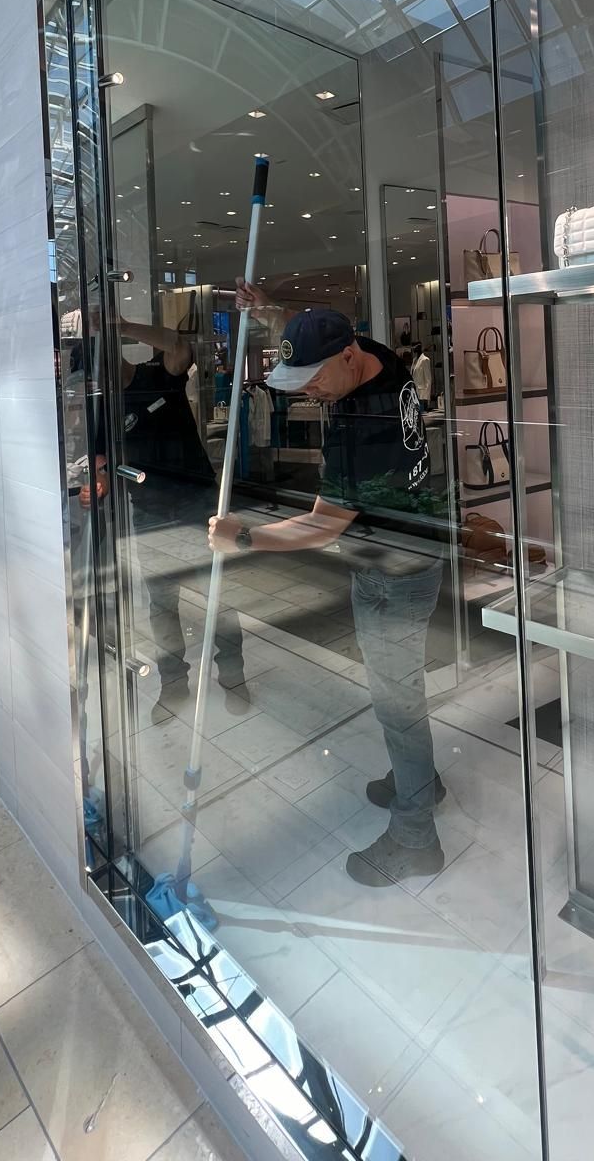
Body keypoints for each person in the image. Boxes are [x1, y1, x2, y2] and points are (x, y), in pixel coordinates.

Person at [209, 291, 446, 887]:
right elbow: (328, 324)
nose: (306, 393)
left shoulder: (362, 432)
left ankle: (417, 838)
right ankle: (424, 780)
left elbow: (319, 527)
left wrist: (244, 538)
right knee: (403, 695)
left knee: (398, 704)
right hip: (415, 552)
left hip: (394, 574)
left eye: (312, 380)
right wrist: (271, 310)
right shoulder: (378, 357)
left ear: (345, 358)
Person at [118, 314, 247, 721]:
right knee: (161, 603)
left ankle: (233, 674)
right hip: (149, 510)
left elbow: (178, 346)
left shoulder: (157, 373)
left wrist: (121, 325)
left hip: (196, 502)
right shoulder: (102, 406)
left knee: (216, 592)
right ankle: (174, 682)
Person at [411, 342, 433, 406]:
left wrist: (427, 396)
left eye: (414, 347)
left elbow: (428, 378)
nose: (412, 349)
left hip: (422, 392)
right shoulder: (414, 360)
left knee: (422, 412)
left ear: (418, 347)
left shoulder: (425, 360)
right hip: (414, 391)